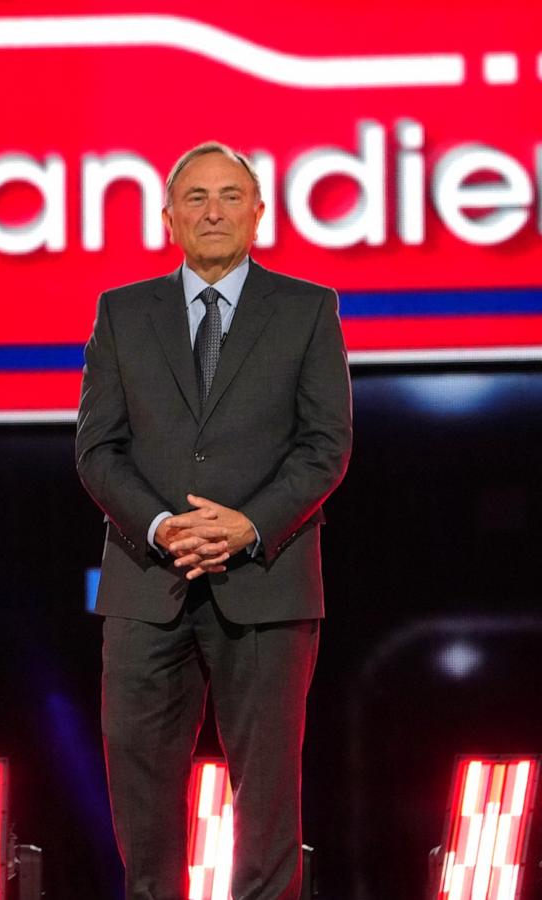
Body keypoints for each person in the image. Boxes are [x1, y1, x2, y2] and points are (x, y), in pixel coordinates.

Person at [75, 141, 352, 900]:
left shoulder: (308, 308)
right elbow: (98, 451)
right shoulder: (122, 312)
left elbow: (325, 447)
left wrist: (248, 526)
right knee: (138, 783)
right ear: (168, 218)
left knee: (267, 796)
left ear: (259, 213)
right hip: (145, 581)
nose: (214, 211)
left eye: (231, 196)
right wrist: (164, 526)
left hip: (267, 578)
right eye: (195, 198)